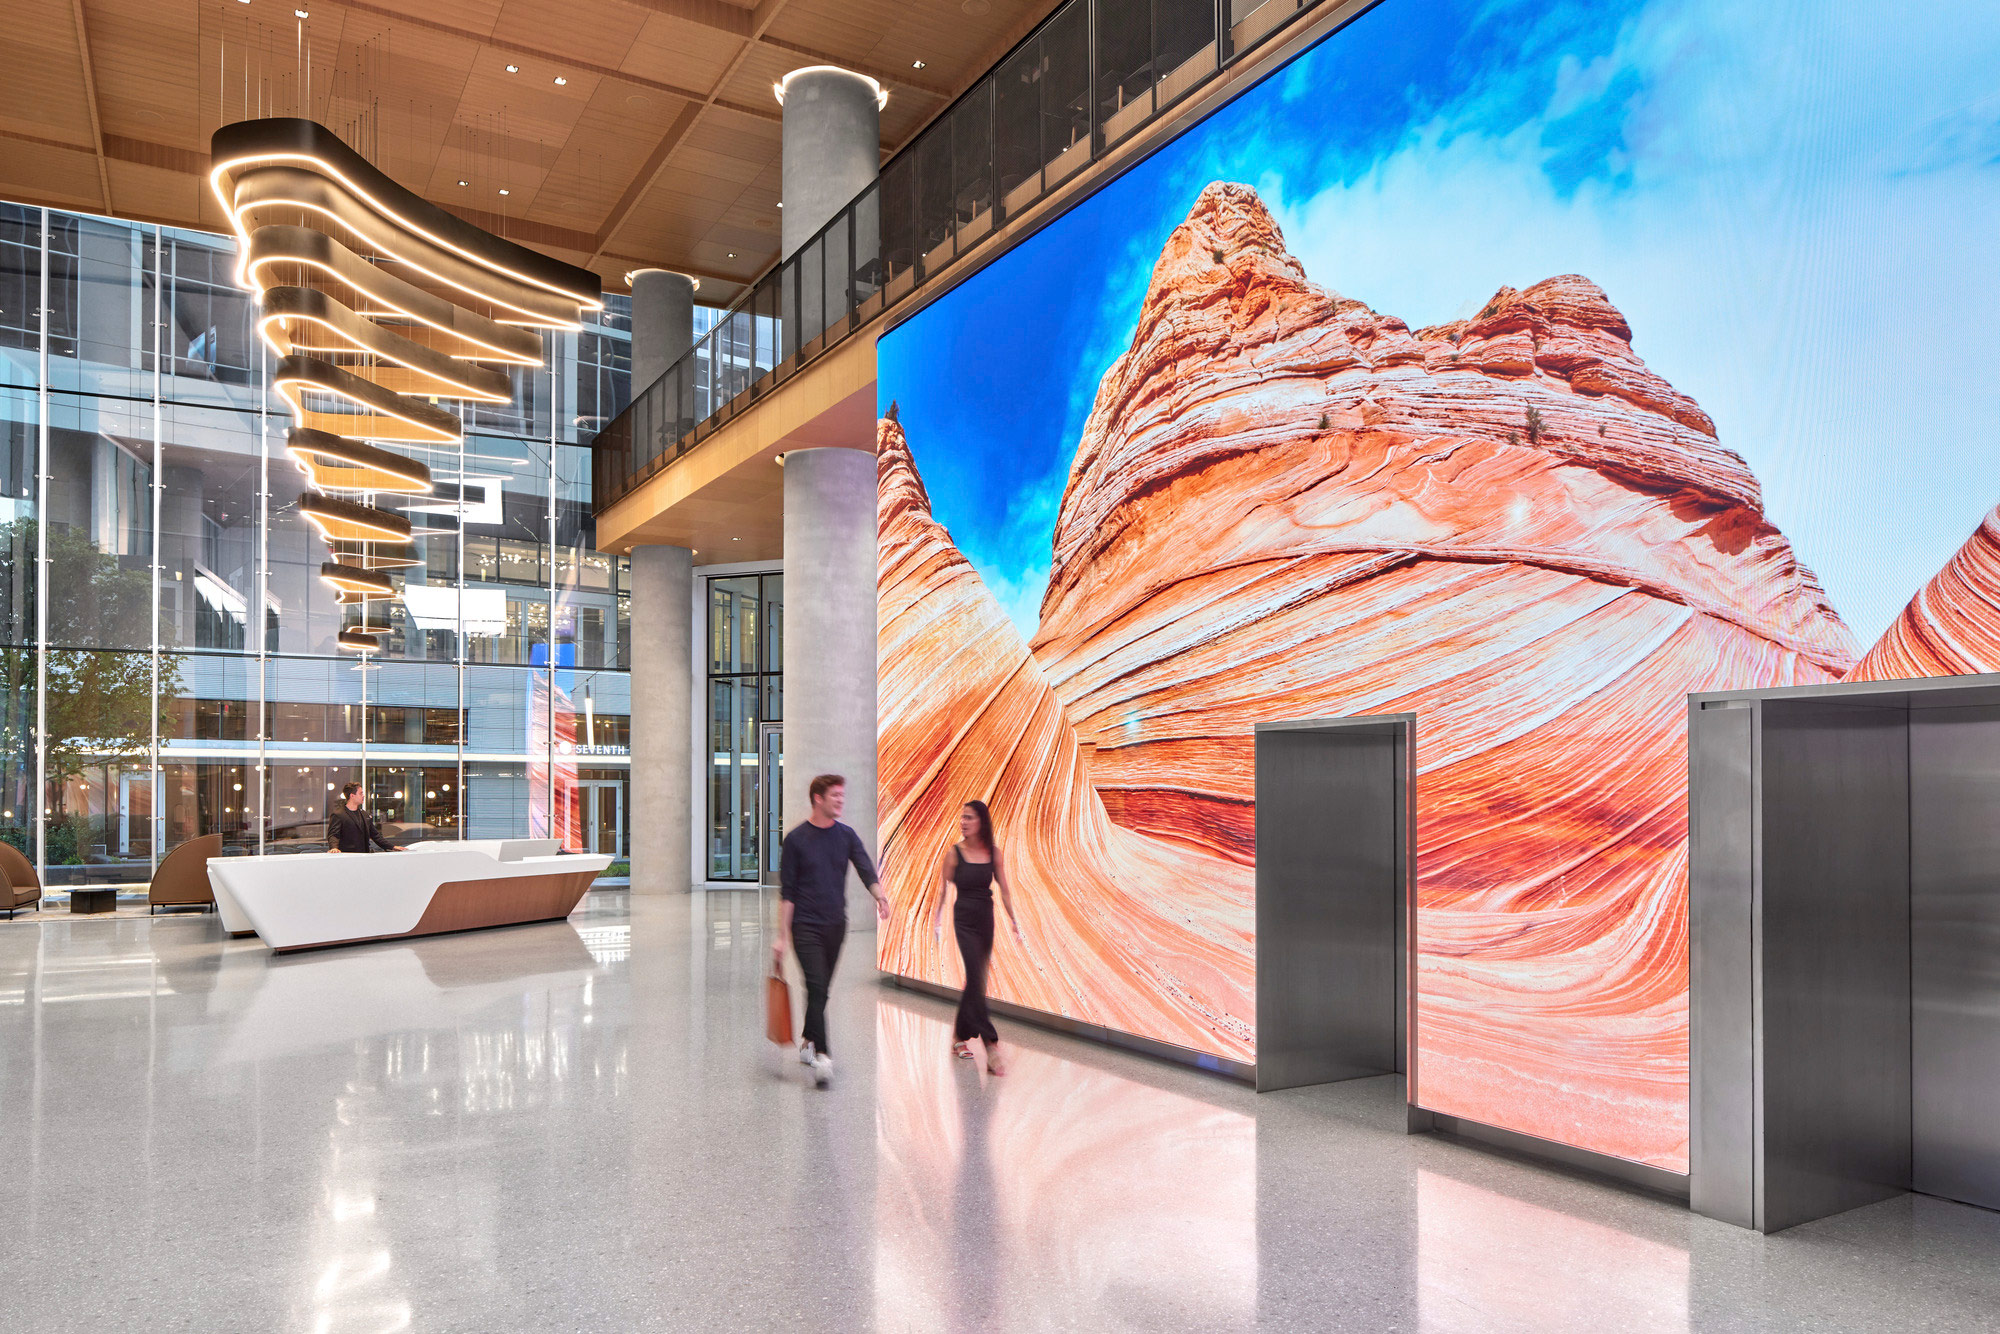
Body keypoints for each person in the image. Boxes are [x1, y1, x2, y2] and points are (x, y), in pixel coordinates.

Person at [776, 773, 888, 1088]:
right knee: (815, 984)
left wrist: (880, 896)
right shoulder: (796, 840)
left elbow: (866, 867)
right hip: (805, 926)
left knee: (820, 990)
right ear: (818, 799)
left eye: (842, 795)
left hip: (835, 925)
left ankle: (807, 1038)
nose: (840, 800)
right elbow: (788, 893)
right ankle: (823, 1055)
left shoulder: (846, 836)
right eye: (835, 796)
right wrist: (782, 936)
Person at [933, 800, 1021, 1075]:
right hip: (964, 921)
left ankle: (958, 1036)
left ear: (981, 821)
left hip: (986, 919)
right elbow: (943, 888)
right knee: (975, 973)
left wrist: (1013, 920)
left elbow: (1004, 890)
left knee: (976, 980)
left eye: (969, 818)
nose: (963, 822)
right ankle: (991, 1045)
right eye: (962, 818)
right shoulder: (954, 853)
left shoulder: (994, 853)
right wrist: (936, 919)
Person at [326, 782, 400, 853]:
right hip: (347, 857)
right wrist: (334, 848)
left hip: (364, 857)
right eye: (361, 793)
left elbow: (376, 836)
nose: (363, 796)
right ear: (352, 796)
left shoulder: (364, 814)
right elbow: (333, 835)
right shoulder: (339, 814)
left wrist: (392, 847)